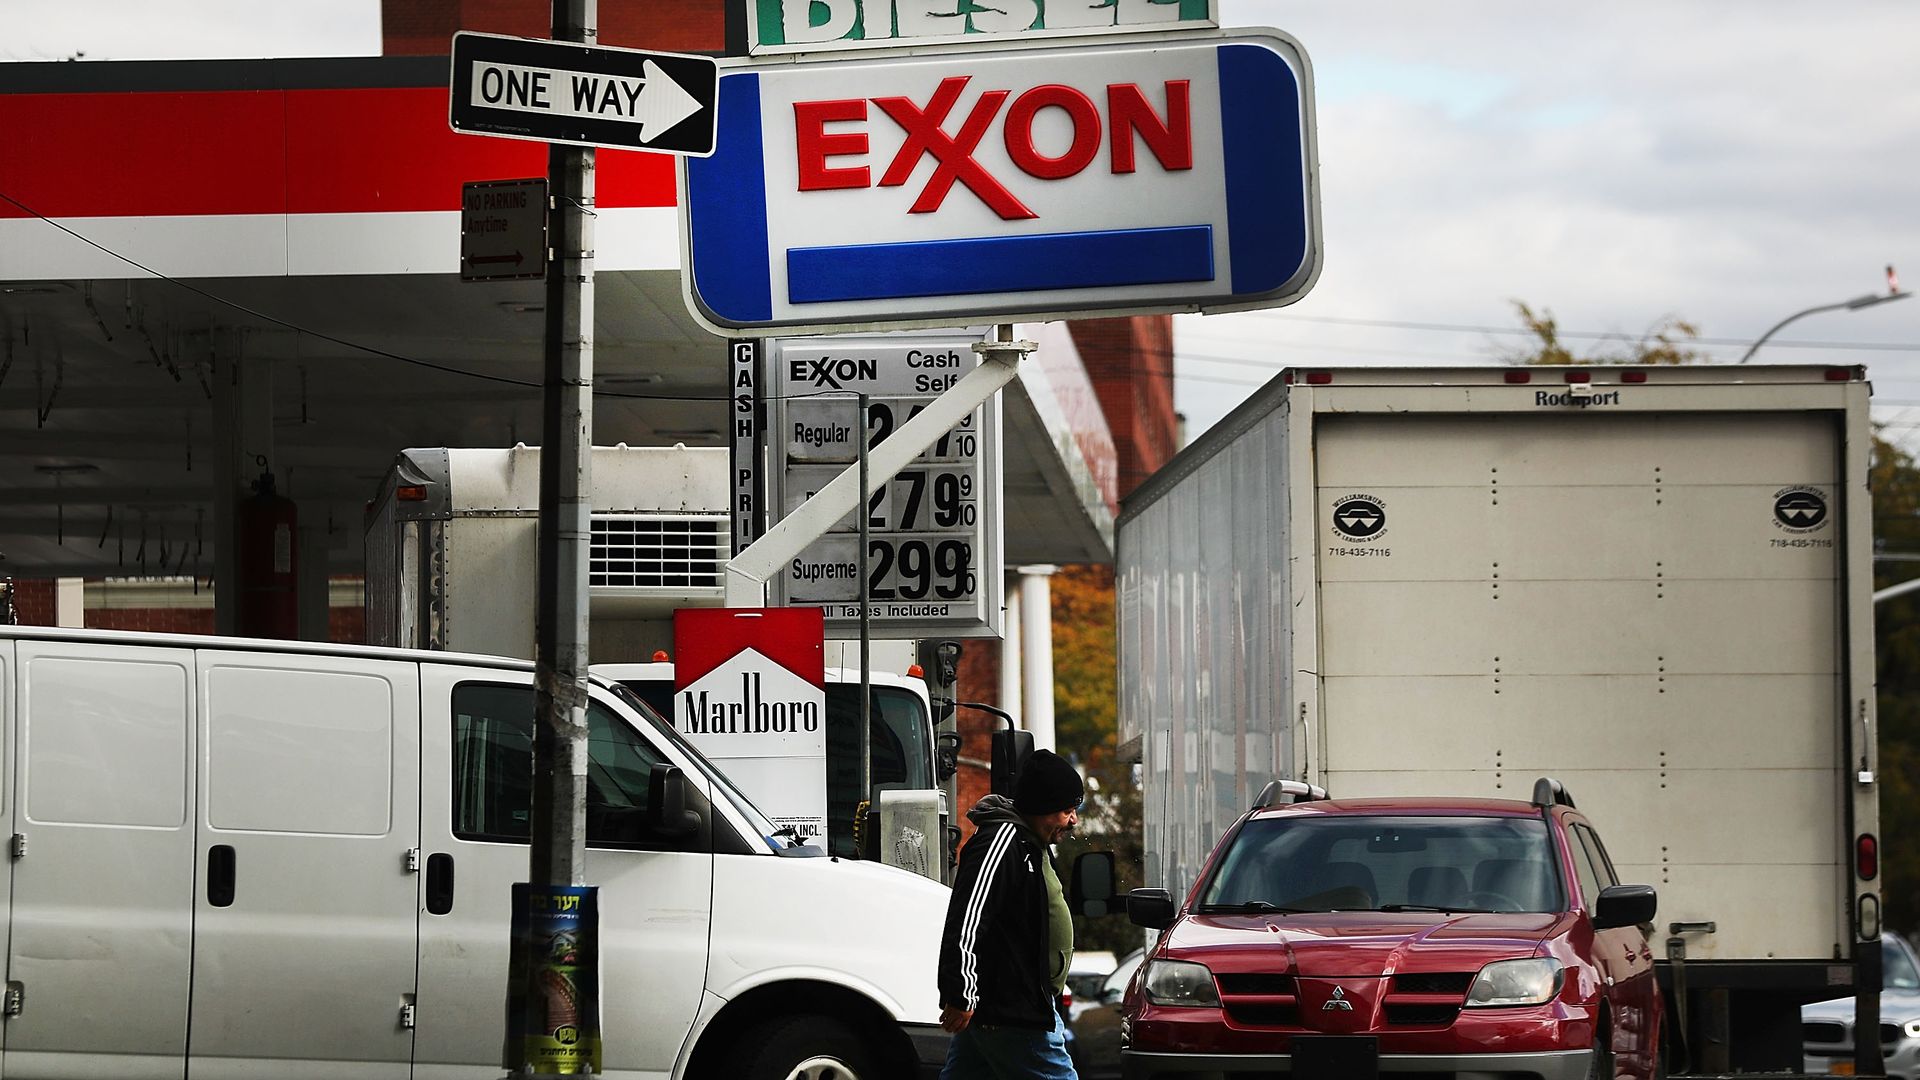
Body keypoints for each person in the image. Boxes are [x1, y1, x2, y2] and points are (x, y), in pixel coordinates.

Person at [937, 749, 1084, 1080]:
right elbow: (967, 919)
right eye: (1066, 810)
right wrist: (961, 991)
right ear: (1040, 806)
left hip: (1013, 1005)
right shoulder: (1001, 843)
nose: (1073, 820)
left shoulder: (1029, 843)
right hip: (1012, 1011)